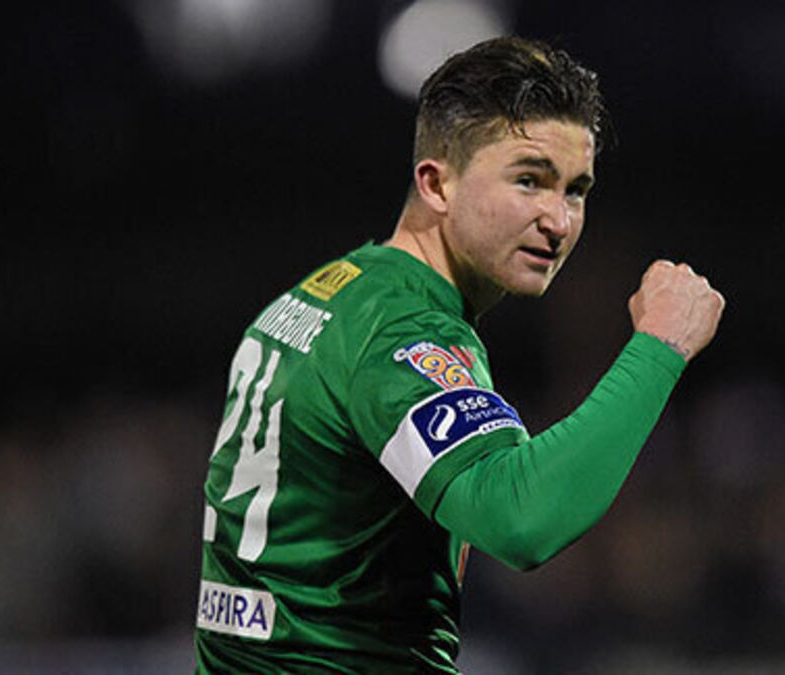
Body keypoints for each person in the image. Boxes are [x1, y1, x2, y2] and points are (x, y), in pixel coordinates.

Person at [194, 35, 725, 673]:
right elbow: (522, 519)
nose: (558, 221)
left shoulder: (332, 294)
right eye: (528, 180)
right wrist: (660, 346)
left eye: (575, 190)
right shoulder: (402, 330)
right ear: (437, 183)